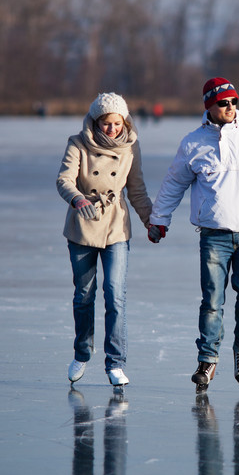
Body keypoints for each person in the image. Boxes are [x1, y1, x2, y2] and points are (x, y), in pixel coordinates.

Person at [147, 77, 239, 390]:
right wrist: (159, 219)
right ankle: (208, 360)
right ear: (209, 106)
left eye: (234, 102)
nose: (230, 107)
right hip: (213, 236)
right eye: (223, 102)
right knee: (212, 301)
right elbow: (174, 183)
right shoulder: (193, 143)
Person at [57, 92, 153, 386]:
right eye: (105, 124)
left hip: (115, 228)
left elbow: (136, 190)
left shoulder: (131, 148)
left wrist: (151, 221)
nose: (111, 129)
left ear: (124, 122)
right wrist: (77, 200)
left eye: (116, 123)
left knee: (115, 295)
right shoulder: (77, 143)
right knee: (84, 295)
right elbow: (64, 180)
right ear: (96, 122)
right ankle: (82, 353)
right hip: (83, 227)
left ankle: (116, 363)